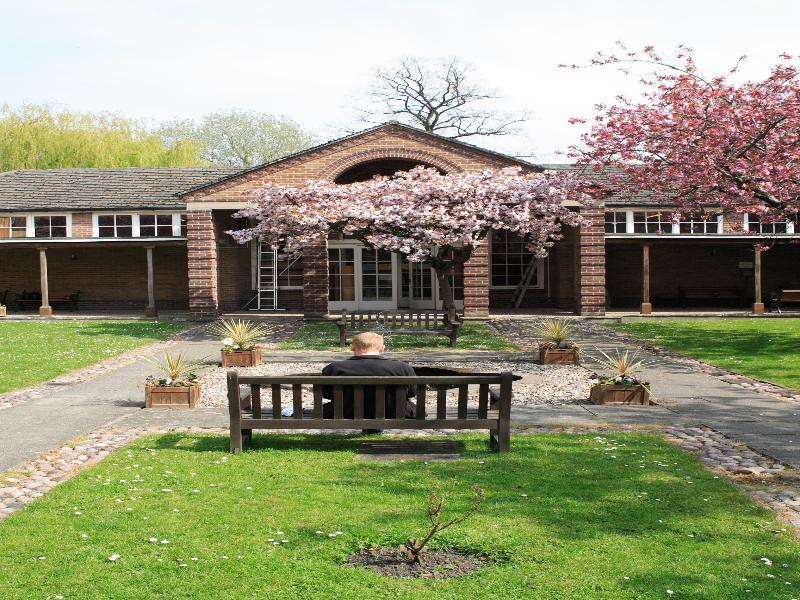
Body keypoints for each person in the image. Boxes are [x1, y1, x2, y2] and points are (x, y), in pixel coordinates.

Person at [321, 332, 416, 432]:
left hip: (345, 412)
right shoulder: (403, 368)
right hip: (394, 412)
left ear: (352, 347)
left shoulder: (334, 368)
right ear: (382, 348)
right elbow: (412, 393)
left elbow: (326, 394)